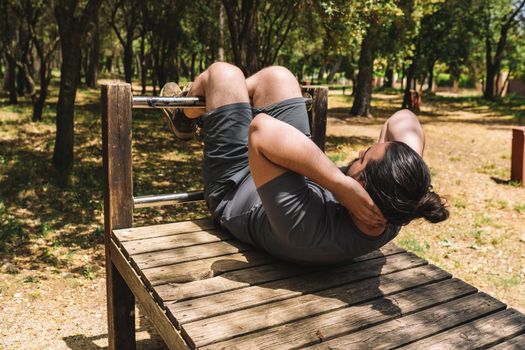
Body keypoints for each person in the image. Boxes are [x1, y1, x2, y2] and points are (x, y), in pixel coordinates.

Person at [160, 62, 449, 265]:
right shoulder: (394, 209)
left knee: (225, 74)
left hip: (236, 183)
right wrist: (408, 167)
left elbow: (261, 130)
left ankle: (186, 116)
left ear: (360, 188)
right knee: (278, 77)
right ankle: (217, 105)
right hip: (289, 167)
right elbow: (402, 119)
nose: (359, 152)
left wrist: (339, 183)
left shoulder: (307, 231)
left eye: (363, 159)